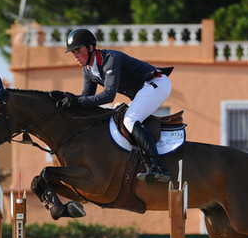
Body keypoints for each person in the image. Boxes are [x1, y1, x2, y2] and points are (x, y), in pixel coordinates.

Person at [57, 28, 172, 183]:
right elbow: (87, 99)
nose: (75, 56)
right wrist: (70, 101)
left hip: (156, 83)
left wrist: (78, 101)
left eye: (78, 50)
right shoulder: (88, 70)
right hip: (143, 90)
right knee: (120, 119)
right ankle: (141, 161)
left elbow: (108, 95)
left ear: (91, 47)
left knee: (130, 120)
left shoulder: (111, 59)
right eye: (73, 53)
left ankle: (158, 166)